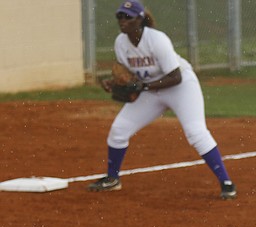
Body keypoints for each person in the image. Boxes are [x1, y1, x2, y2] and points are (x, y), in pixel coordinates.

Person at [89, 1, 237, 200]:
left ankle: (226, 182)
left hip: (180, 87)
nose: (122, 21)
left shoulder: (157, 39)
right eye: (120, 17)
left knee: (195, 132)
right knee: (119, 130)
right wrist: (114, 83)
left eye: (128, 16)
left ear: (139, 19)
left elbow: (175, 76)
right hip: (151, 90)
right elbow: (128, 75)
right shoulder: (120, 43)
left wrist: (143, 86)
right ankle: (112, 179)